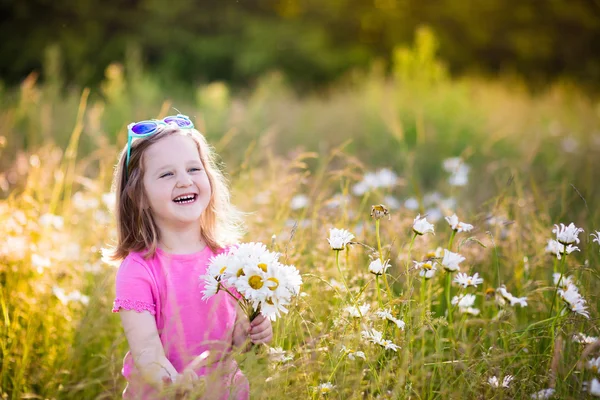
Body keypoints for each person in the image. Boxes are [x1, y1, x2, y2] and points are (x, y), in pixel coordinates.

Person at [109, 114, 273, 399]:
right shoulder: (138, 270)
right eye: (166, 174)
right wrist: (174, 385)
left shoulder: (230, 258)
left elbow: (236, 340)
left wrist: (254, 332)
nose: (185, 181)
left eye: (193, 169)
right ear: (139, 196)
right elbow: (147, 350)